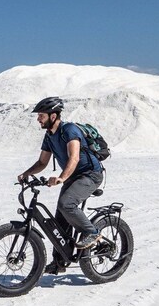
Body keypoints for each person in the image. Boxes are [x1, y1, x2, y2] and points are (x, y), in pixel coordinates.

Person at [17, 96, 104, 274]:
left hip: (90, 174)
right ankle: (60, 262)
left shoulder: (69, 130)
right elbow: (42, 162)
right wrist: (26, 174)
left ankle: (92, 232)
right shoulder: (49, 136)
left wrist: (62, 178)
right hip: (73, 176)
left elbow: (74, 157)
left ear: (54, 116)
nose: (38, 119)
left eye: (41, 115)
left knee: (67, 204)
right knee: (60, 220)